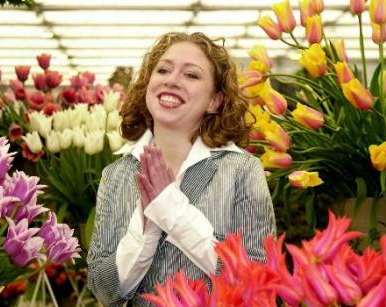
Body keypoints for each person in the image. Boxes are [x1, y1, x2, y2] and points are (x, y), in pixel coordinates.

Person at [87, 32, 276, 306]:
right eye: (163, 69)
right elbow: (103, 290)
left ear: (215, 101)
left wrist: (173, 211)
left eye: (192, 75)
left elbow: (255, 279)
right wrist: (147, 229)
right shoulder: (117, 174)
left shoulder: (241, 170)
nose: (172, 80)